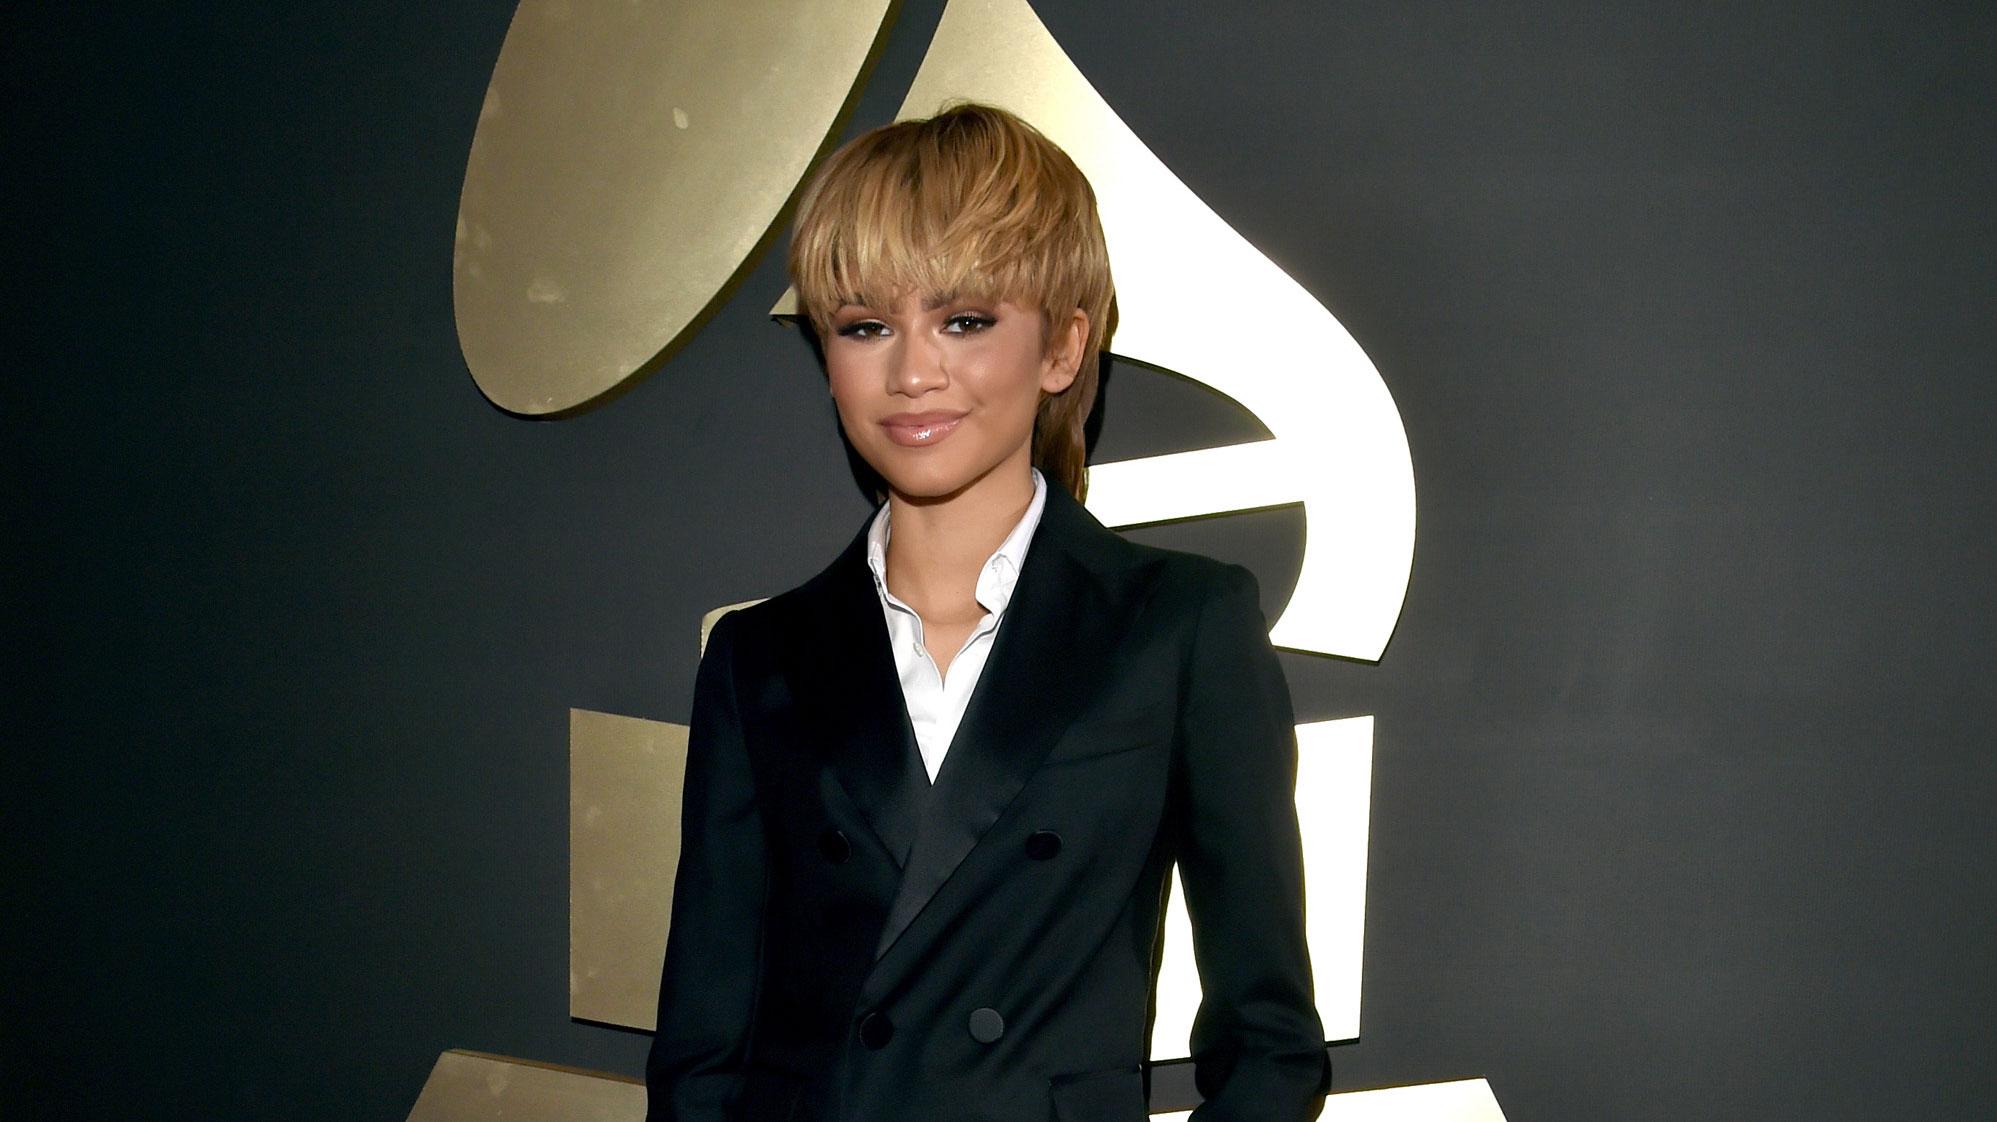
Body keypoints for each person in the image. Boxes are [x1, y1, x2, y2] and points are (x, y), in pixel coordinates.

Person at [646, 102, 1329, 1122]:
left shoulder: (1178, 627)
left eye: (964, 320)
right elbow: (702, 1052)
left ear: (1060, 348)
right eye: (864, 326)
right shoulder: (759, 659)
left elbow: (1267, 1042)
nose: (911, 371)